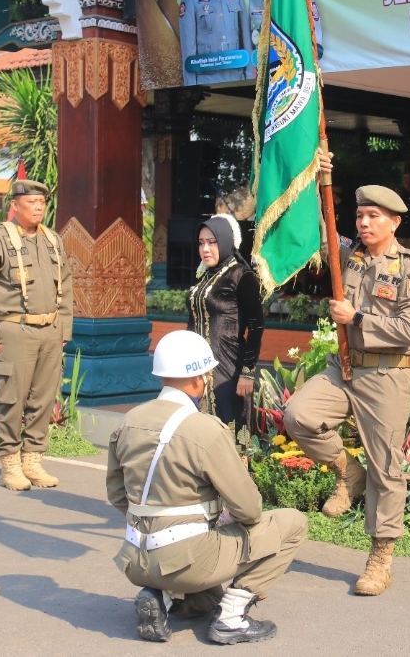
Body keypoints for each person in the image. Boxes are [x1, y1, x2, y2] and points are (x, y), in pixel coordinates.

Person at [109, 330, 306, 645]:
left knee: (206, 600)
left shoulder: (128, 421)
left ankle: (160, 597)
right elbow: (250, 509)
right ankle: (232, 618)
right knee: (293, 522)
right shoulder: (204, 428)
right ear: (200, 378)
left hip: (137, 559)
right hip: (188, 560)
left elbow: (118, 496)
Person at [284, 182, 410, 596]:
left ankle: (380, 559)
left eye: (374, 217)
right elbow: (325, 224)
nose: (364, 223)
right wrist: (319, 179)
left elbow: (408, 331)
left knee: (386, 469)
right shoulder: (351, 255)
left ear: (394, 222)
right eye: (360, 216)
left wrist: (358, 317)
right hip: (345, 368)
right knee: (300, 416)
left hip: (386, 376)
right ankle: (348, 472)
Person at [0, 180, 72, 490]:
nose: (39, 207)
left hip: (50, 329)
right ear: (15, 205)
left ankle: (33, 459)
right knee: (11, 398)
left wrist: (64, 329)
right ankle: (10, 463)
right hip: (15, 329)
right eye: (32, 202)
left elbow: (65, 285)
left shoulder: (52, 240)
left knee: (43, 398)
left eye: (42, 202)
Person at [187, 214, 264, 451]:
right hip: (197, 368)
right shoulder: (204, 277)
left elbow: (257, 325)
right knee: (197, 431)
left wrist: (247, 373)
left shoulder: (242, 276)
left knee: (229, 433)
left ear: (226, 240)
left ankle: (236, 484)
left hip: (228, 369)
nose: (205, 249)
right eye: (201, 243)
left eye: (212, 242)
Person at [178, 0, 254, 86]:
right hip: (207, 84)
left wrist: (249, 80)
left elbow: (246, 41)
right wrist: (191, 88)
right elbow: (188, 52)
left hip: (237, 79)